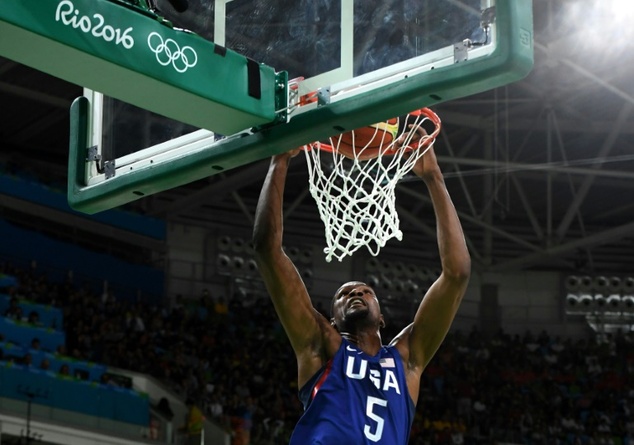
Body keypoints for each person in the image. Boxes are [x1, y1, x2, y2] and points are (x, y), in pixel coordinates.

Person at [252, 137, 471, 444]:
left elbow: (457, 274)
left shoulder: (406, 360)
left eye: (366, 291)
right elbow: (266, 250)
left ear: (382, 319)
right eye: (342, 295)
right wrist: (280, 161)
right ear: (333, 320)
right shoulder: (319, 345)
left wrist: (434, 177)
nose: (355, 293)